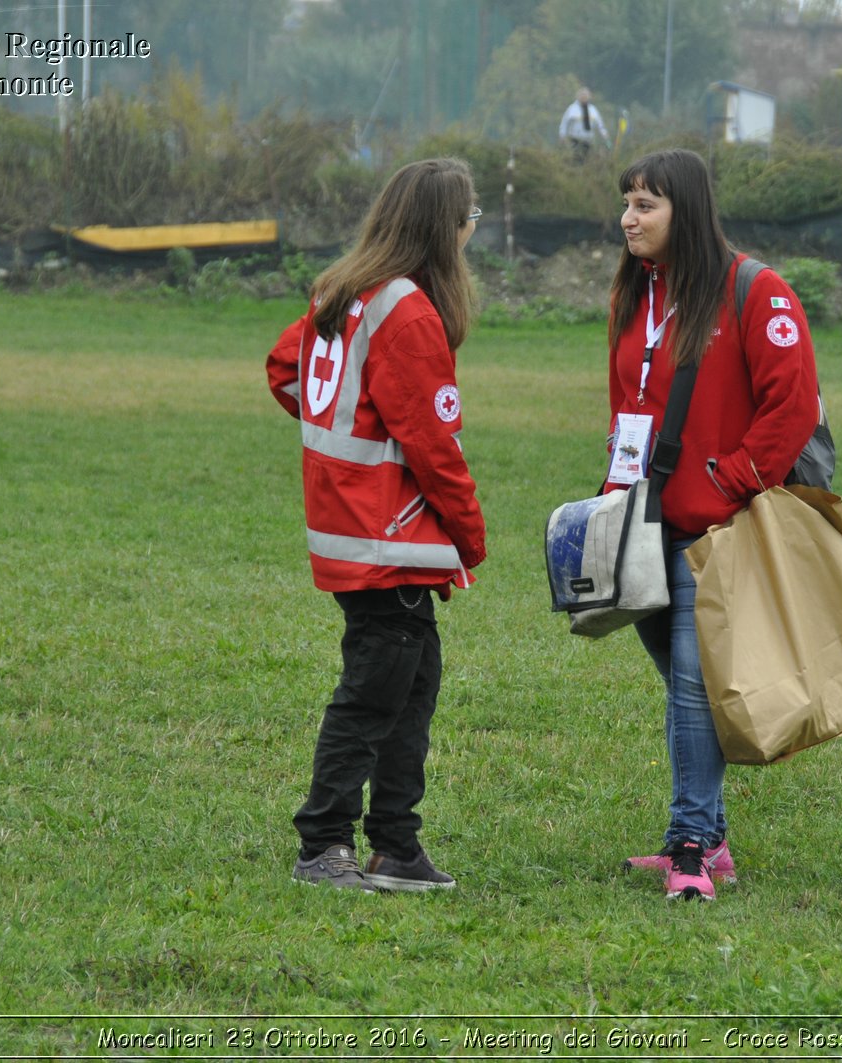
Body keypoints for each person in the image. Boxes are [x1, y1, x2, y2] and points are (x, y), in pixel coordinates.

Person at [267, 158, 487, 893]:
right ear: (443, 227)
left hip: (348, 526)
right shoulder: (409, 312)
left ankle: (397, 845)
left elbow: (283, 369)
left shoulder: (343, 290)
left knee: (412, 680)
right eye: (469, 219)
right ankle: (323, 843)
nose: (469, 232)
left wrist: (337, 435)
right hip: (383, 538)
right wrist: (469, 535)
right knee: (372, 693)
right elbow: (433, 445)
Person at [606, 149, 820, 902]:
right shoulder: (636, 294)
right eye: (627, 203)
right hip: (646, 531)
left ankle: (693, 850)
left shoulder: (755, 292)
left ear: (685, 211)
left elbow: (791, 410)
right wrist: (614, 500)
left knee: (697, 691)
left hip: (719, 535)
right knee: (688, 694)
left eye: (645, 205)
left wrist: (726, 480)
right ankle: (708, 837)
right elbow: (626, 411)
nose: (628, 219)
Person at [559, 87, 610, 162]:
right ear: (578, 96)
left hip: (588, 140)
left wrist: (604, 134)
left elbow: (600, 124)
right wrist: (562, 135)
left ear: (589, 96)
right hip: (575, 140)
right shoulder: (572, 108)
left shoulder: (593, 109)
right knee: (577, 159)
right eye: (582, 95)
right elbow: (564, 123)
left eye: (586, 95)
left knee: (587, 159)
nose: (584, 97)